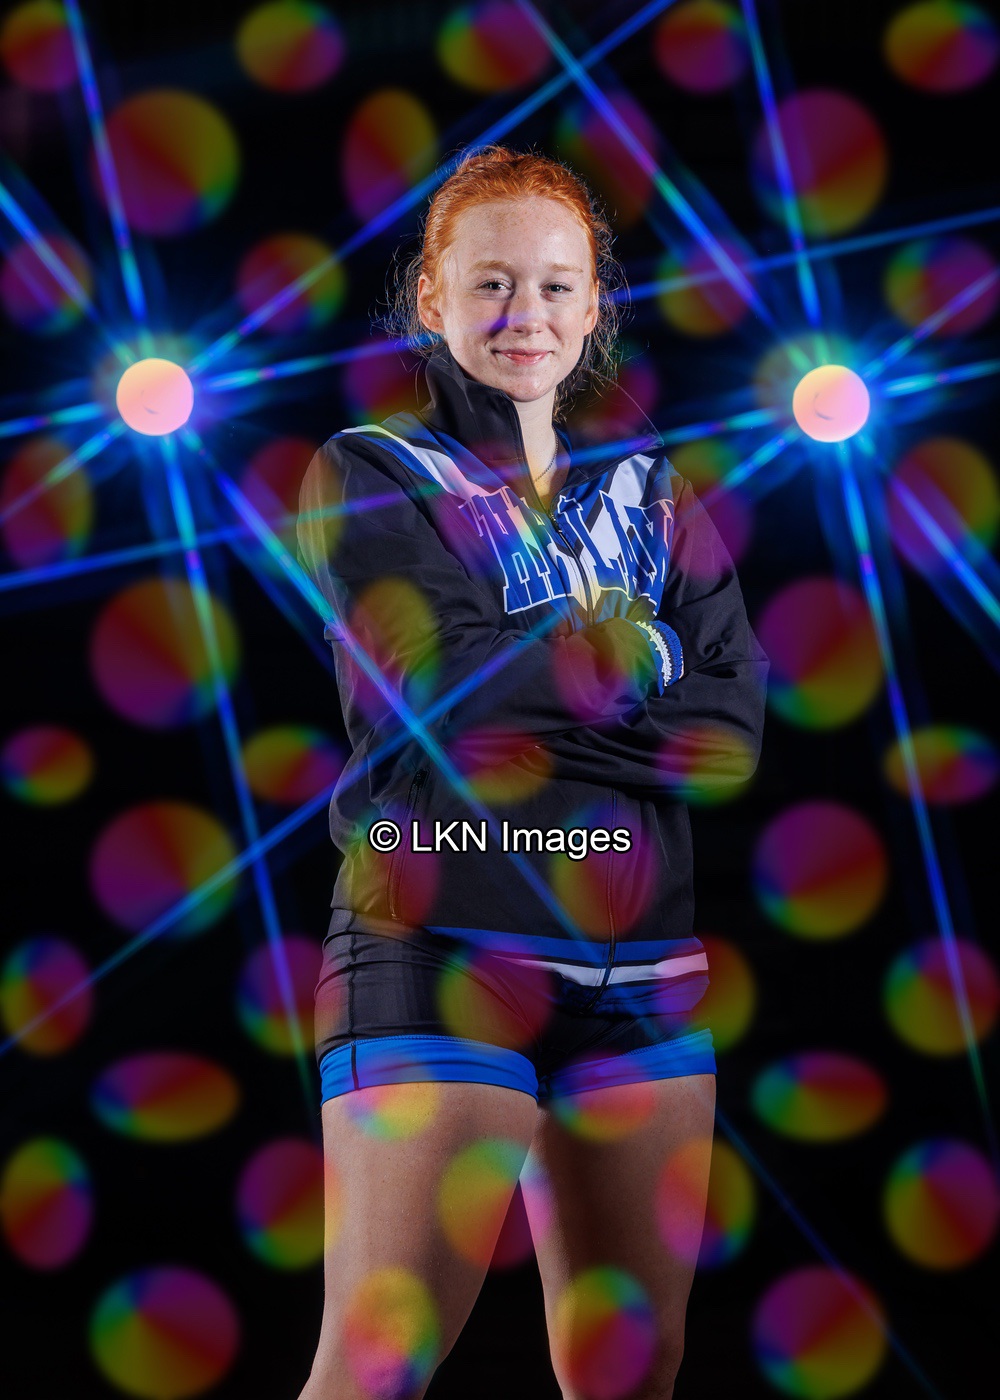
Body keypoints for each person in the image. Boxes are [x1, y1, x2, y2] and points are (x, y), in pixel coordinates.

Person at [295, 143, 768, 1400]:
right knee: (377, 1363)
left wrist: (537, 691)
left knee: (633, 1370)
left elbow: (729, 730)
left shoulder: (651, 488)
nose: (527, 314)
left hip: (644, 978)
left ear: (594, 303)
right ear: (432, 298)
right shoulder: (370, 470)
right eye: (492, 283)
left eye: (557, 285)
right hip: (443, 950)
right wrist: (643, 653)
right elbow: (443, 689)